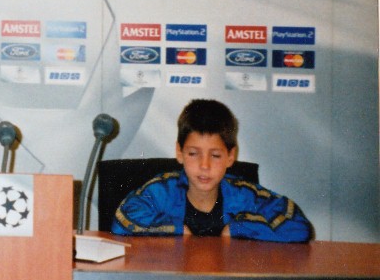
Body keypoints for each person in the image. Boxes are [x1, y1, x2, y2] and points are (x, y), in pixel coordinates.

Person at [111, 98, 311, 242]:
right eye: (193, 153)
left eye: (215, 156)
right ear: (179, 152)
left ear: (230, 156)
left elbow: (298, 225)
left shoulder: (244, 195)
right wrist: (176, 229)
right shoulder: (161, 191)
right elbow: (122, 219)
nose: (204, 165)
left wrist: (238, 228)